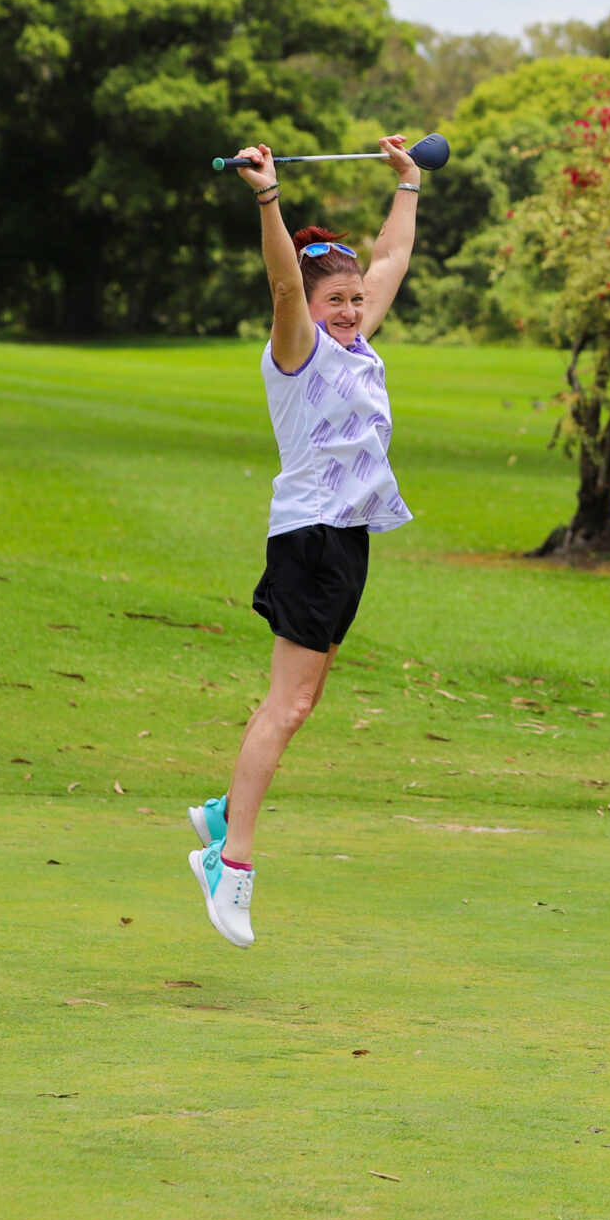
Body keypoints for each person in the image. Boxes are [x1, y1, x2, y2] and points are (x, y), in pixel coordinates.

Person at [189, 135, 424, 947]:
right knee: (286, 703)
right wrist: (267, 200)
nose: (353, 309)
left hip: (348, 539)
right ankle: (231, 861)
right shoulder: (297, 348)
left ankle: (225, 809)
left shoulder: (358, 343)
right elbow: (286, 280)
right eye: (340, 301)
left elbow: (391, 257)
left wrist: (408, 184)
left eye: (357, 299)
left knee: (302, 699)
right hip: (309, 535)